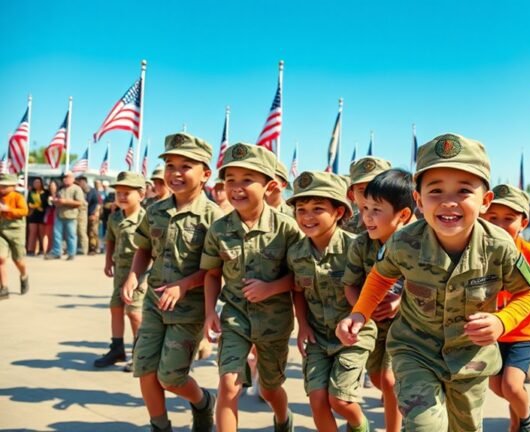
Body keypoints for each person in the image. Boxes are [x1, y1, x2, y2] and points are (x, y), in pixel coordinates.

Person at [336, 133, 530, 432]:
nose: (448, 202)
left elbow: (528, 292)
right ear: (418, 200)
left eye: (463, 191)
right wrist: (359, 313)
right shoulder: (405, 241)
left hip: (471, 358)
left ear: (485, 202)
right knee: (424, 426)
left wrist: (502, 322)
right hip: (415, 350)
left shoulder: (499, 245)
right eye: (435, 191)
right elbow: (381, 275)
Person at [121, 133, 222, 432]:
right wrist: (132, 275)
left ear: (205, 174)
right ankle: (159, 426)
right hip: (153, 302)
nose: (175, 173)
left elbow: (215, 269)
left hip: (189, 310)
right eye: (170, 165)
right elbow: (143, 247)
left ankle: (204, 402)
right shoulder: (154, 210)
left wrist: (184, 285)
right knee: (145, 370)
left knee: (171, 377)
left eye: (185, 166)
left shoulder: (213, 218)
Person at [200, 143, 301, 432]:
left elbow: (301, 279)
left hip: (274, 322)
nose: (236, 188)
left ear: (269, 186)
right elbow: (211, 273)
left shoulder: (287, 228)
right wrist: (210, 312)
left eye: (247, 180)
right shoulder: (219, 229)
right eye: (230, 180)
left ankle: (283, 419)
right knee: (229, 385)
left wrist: (271, 288)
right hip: (235, 318)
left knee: (269, 389)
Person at [285, 171, 374, 432]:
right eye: (301, 209)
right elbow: (298, 291)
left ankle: (361, 427)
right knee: (317, 400)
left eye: (318, 209)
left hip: (353, 335)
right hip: (317, 336)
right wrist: (302, 325)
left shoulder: (355, 247)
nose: (307, 216)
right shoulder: (296, 253)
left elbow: (372, 288)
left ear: (338, 212)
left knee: (342, 400)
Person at [481, 184, 530, 432]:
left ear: (523, 222)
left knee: (512, 385)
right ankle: (518, 413)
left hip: (524, 331)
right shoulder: (477, 252)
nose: (501, 225)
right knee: (498, 386)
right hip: (492, 331)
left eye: (509, 219)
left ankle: (524, 421)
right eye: (493, 218)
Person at [343, 168, 415, 432]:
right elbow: (350, 286)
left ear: (403, 215)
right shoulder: (361, 245)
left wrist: (400, 301)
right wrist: (362, 313)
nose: (367, 217)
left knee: (388, 378)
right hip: (374, 325)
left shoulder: (419, 243)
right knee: (378, 378)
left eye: (376, 210)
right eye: (365, 209)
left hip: (409, 326)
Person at [95, 172, 147, 371]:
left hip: (140, 273)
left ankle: (140, 353)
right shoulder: (115, 217)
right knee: (115, 307)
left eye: (127, 193)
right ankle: (117, 348)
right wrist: (108, 260)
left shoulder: (146, 218)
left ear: (141, 194)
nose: (122, 197)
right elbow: (110, 239)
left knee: (134, 312)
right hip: (120, 270)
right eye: (118, 193)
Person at [342, 156, 392, 235]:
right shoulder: (345, 230)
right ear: (351, 195)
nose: (370, 197)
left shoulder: (404, 227)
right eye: (362, 191)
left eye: (377, 189)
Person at [0, 173, 30, 300]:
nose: (2, 188)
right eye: (1, 186)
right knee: (1, 258)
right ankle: (4, 288)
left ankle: (24, 275)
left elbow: (24, 211)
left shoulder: (18, 197)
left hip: (16, 230)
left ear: (13, 186)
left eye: (5, 186)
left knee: (18, 259)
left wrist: (8, 209)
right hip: (1, 230)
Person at [48, 171, 85, 260]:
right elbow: (57, 201)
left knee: (71, 235)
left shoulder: (77, 189)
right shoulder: (61, 189)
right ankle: (57, 252)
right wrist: (55, 201)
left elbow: (80, 202)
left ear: (72, 178)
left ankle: (71, 253)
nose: (65, 179)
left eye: (67, 177)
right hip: (59, 215)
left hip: (71, 216)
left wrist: (65, 202)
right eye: (64, 177)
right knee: (57, 235)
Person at [77, 176, 102, 255]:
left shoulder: (92, 191)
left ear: (84, 182)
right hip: (84, 215)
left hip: (93, 214)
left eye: (80, 182)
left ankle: (93, 249)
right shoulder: (81, 192)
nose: (79, 184)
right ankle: (88, 248)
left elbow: (99, 203)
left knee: (93, 232)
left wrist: (95, 214)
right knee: (87, 232)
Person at [26, 177, 50, 256]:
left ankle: (42, 249)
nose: (36, 184)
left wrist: (40, 206)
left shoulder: (46, 192)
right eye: (35, 182)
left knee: (41, 233)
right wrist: (32, 206)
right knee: (32, 233)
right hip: (33, 214)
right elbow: (28, 202)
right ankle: (30, 250)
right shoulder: (31, 192)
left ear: (41, 183)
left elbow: (48, 204)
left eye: (38, 182)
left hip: (42, 215)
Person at [44, 180, 58, 254]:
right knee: (47, 233)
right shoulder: (46, 194)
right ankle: (45, 250)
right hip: (49, 214)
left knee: (55, 233)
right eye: (51, 186)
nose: (52, 187)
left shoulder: (59, 194)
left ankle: (54, 249)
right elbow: (44, 205)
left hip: (58, 214)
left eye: (54, 185)